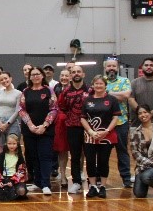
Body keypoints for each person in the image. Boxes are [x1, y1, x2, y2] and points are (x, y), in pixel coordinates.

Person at [80, 75, 121, 199]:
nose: (98, 86)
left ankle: (102, 186)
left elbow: (115, 117)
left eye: (101, 84)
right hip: (90, 136)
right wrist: (91, 132)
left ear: (105, 85)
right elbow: (83, 118)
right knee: (91, 161)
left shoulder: (112, 100)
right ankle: (92, 186)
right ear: (92, 85)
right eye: (96, 84)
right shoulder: (87, 100)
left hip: (106, 136)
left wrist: (107, 130)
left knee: (104, 161)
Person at [18, 67, 57, 195]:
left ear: (42, 76)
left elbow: (53, 109)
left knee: (45, 156)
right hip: (30, 130)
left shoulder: (48, 90)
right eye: (33, 75)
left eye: (37, 74)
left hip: (46, 130)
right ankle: (37, 182)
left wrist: (44, 126)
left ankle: (46, 184)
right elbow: (21, 109)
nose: (35, 76)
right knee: (33, 156)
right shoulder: (26, 91)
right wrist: (30, 125)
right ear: (29, 77)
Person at [57, 64, 88, 194]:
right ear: (70, 76)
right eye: (73, 72)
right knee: (75, 156)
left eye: (79, 72)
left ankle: (93, 182)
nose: (76, 74)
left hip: (88, 128)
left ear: (83, 74)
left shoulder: (90, 91)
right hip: (72, 127)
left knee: (90, 155)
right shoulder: (65, 92)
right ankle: (76, 182)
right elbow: (62, 107)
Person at [104, 57, 133, 187]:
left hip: (121, 123)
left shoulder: (124, 80)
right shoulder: (100, 81)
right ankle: (101, 179)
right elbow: (96, 95)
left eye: (114, 66)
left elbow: (126, 96)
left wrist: (107, 94)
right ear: (105, 68)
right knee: (103, 153)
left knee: (122, 151)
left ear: (117, 68)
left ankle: (126, 179)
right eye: (109, 66)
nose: (111, 68)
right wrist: (117, 95)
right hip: (105, 124)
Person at [129, 57, 153, 125]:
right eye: (146, 65)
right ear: (142, 67)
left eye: (151, 65)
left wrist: (151, 113)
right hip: (137, 121)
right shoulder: (134, 82)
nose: (149, 67)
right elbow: (131, 99)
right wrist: (142, 113)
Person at [0, 134, 27, 201]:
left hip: (15, 180)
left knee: (21, 191)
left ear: (17, 144)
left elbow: (22, 171)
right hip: (3, 178)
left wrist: (13, 181)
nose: (11, 146)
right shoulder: (2, 155)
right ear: (6, 144)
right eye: (9, 143)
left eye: (14, 144)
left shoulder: (19, 156)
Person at [0, 72, 21, 153]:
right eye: (1, 79)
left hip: (12, 124)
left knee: (12, 149)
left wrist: (7, 124)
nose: (4, 81)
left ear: (10, 78)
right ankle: (0, 166)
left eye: (6, 78)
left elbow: (17, 111)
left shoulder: (18, 93)